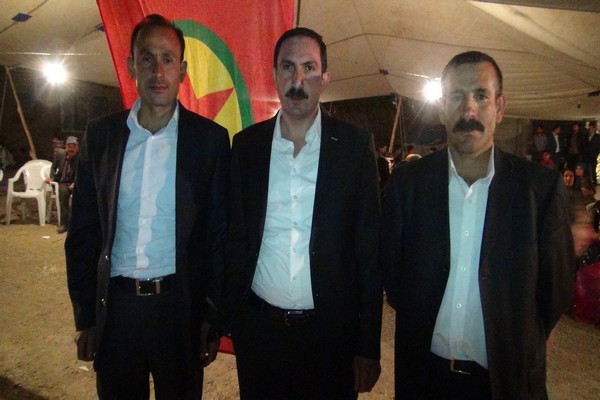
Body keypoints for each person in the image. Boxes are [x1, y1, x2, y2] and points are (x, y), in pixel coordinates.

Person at [380, 51, 575, 399]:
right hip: (424, 378)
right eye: (457, 96)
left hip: (503, 382)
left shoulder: (539, 189)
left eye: (481, 95)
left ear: (500, 107)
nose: (469, 111)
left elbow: (555, 290)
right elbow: (394, 278)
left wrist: (517, 339)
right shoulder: (409, 184)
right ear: (443, 108)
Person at [64, 14, 229, 399]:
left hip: (179, 310)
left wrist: (211, 314)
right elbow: (84, 232)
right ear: (131, 67)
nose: (157, 71)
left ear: (182, 71)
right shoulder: (102, 137)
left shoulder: (209, 141)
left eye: (168, 59)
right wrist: (86, 316)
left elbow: (219, 235)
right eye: (147, 58)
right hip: (117, 311)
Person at [224, 27, 382, 399]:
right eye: (288, 67)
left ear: (325, 77)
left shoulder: (354, 149)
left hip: (330, 337)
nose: (298, 80)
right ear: (274, 74)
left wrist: (368, 345)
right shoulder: (246, 147)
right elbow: (233, 237)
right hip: (260, 335)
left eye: (309, 68)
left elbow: (369, 253)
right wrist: (229, 317)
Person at [45, 135, 79, 233]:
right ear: (66, 146)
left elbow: (83, 172)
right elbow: (53, 167)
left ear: (77, 148)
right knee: (63, 194)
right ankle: (65, 224)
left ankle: (77, 224)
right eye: (69, 146)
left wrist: (75, 183)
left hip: (75, 182)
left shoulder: (81, 157)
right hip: (63, 182)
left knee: (81, 197)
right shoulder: (60, 154)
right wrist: (51, 177)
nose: (71, 149)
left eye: (74, 146)